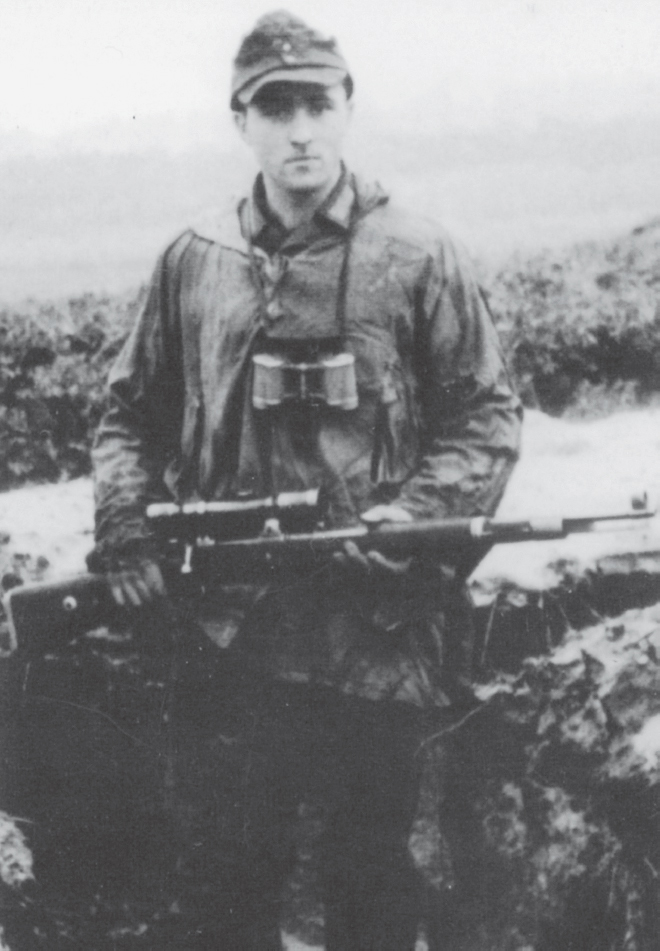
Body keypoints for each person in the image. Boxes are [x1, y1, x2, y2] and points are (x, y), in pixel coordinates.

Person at [90, 10, 523, 950]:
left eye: (316, 105)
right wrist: (124, 524)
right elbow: (129, 411)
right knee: (229, 875)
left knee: (371, 872)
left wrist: (413, 513)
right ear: (239, 120)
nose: (299, 130)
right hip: (232, 630)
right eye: (274, 107)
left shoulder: (417, 253)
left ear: (347, 109)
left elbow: (486, 417)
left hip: (374, 628)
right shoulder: (195, 260)